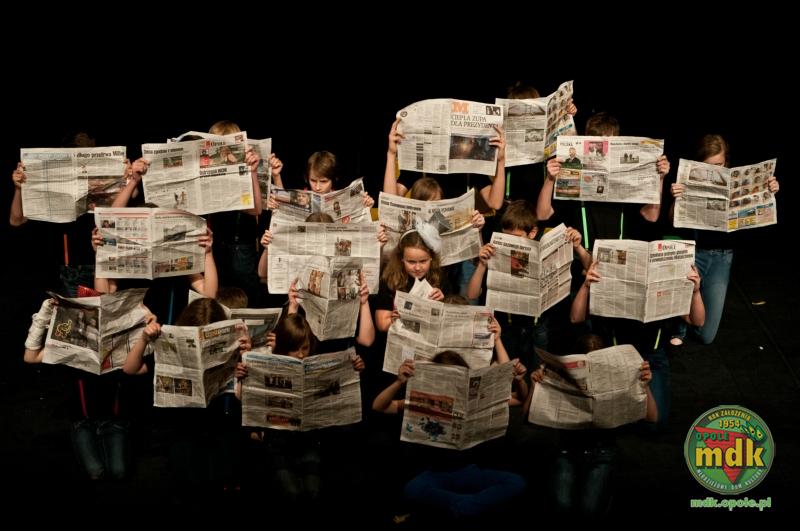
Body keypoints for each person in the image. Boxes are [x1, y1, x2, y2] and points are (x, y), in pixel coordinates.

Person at [372, 351, 526, 521]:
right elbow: (379, 406)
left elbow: (520, 399)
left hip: (468, 471)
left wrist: (519, 381)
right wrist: (398, 382)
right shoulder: (423, 400)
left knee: (516, 482)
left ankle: (463, 506)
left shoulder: (473, 398)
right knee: (412, 489)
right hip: (436, 474)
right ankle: (466, 504)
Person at [234, 312, 364, 508]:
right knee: (291, 492)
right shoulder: (267, 361)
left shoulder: (316, 363)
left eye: (305, 348)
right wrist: (242, 378)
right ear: (284, 347)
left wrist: (354, 368)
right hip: (277, 441)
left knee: (313, 491)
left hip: (308, 440)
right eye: (295, 349)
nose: (301, 354)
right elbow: (243, 399)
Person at [523, 333, 657, 515]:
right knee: (561, 504)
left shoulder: (617, 379)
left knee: (590, 509)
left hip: (602, 454)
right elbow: (527, 417)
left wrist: (645, 386)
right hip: (567, 452)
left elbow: (652, 417)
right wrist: (535, 386)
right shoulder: (561, 376)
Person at [669, 134, 780, 345]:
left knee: (706, 335)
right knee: (681, 305)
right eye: (709, 166)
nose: (715, 171)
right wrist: (676, 199)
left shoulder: (734, 181)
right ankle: (678, 325)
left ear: (726, 161)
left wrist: (770, 191)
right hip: (693, 253)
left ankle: (687, 318)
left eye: (719, 165)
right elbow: (671, 220)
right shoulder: (687, 178)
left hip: (721, 257)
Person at [569, 260, 705, 428]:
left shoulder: (662, 290)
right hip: (614, 358)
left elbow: (697, 321)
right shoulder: (612, 286)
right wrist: (586, 286)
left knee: (655, 424)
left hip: (651, 358)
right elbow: (576, 317)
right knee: (609, 422)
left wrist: (695, 292)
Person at [23, 296, 144, 481]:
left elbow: (138, 369)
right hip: (83, 422)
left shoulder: (120, 348)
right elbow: (30, 357)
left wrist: (145, 330)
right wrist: (44, 313)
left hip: (114, 422)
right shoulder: (73, 348)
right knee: (95, 472)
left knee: (118, 472)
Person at [466, 200, 591, 364]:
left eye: (517, 237)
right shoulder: (495, 252)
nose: (511, 242)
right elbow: (471, 295)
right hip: (508, 329)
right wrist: (482, 264)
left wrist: (578, 247)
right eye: (506, 236)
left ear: (532, 233)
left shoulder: (544, 253)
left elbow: (590, 268)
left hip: (540, 329)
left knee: (537, 373)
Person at [374, 223, 449, 333]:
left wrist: (443, 302)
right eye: (411, 262)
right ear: (401, 259)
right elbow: (382, 325)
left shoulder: (439, 277)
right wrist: (394, 320)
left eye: (423, 261)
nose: (417, 268)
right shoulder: (390, 280)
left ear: (431, 258)